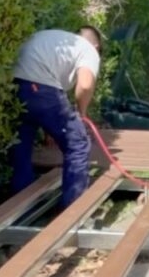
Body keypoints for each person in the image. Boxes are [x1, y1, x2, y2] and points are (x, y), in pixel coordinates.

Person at [11, 26, 102, 208]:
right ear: (97, 45)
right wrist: (81, 114)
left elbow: (45, 102)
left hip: (15, 84)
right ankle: (73, 208)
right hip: (40, 84)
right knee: (77, 143)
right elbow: (85, 85)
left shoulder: (58, 40)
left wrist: (50, 128)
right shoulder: (89, 49)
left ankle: (21, 203)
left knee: (21, 142)